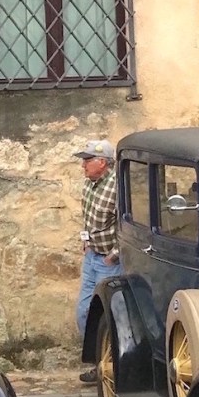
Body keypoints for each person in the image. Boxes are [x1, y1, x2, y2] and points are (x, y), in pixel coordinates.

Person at [74, 139, 122, 383]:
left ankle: (113, 367)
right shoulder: (89, 185)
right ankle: (100, 363)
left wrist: (115, 254)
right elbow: (88, 216)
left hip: (108, 261)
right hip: (92, 257)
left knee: (106, 316)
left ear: (102, 162)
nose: (83, 165)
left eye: (87, 160)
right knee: (84, 312)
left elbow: (126, 223)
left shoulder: (117, 188)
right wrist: (86, 239)